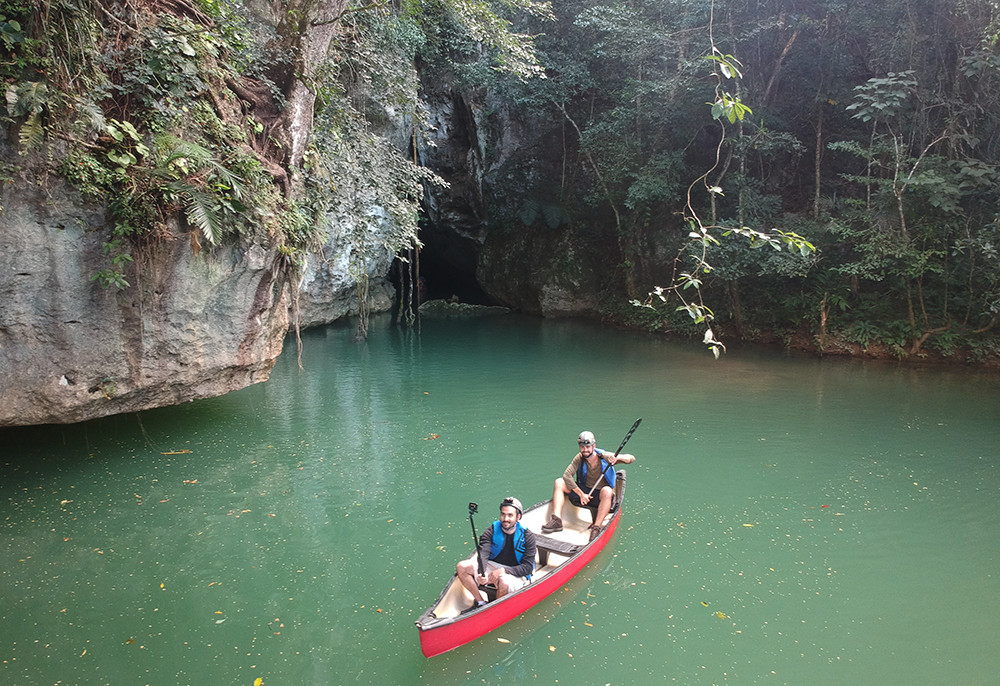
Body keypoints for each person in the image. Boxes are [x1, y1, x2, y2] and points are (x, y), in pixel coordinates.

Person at [541, 430, 636, 541]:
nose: (585, 450)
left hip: (600, 495)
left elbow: (631, 458)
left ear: (593, 446)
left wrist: (617, 459)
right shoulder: (579, 457)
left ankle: (596, 527)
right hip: (585, 492)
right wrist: (581, 494)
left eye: (588, 447)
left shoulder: (605, 456)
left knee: (607, 491)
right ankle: (556, 520)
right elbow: (567, 476)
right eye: (582, 447)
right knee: (559, 482)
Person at [456, 497, 537, 610]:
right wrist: (481, 572)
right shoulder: (491, 531)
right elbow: (483, 553)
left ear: (518, 517)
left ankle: (494, 610)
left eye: (510, 515)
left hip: (516, 573)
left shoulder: (528, 537)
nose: (505, 519)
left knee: (503, 581)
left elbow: (527, 568)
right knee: (462, 567)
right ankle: (480, 602)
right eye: (503, 514)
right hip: (494, 566)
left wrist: (503, 571)